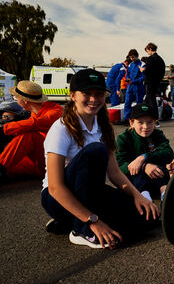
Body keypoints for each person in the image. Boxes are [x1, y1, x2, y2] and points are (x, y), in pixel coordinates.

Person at [41, 69, 159, 249]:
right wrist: (93, 222)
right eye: (86, 93)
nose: (93, 99)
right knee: (95, 150)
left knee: (148, 219)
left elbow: (114, 173)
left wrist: (137, 196)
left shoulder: (103, 126)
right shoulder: (61, 129)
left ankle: (68, 222)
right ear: (72, 95)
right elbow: (55, 188)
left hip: (91, 196)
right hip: (56, 199)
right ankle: (80, 229)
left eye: (98, 94)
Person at [0, 81, 63, 181]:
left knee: (30, 136)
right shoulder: (35, 112)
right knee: (8, 168)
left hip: (52, 164)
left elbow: (34, 124)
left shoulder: (55, 113)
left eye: (16, 97)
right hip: (39, 160)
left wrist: (4, 129)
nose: (16, 100)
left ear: (25, 101)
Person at [116, 104, 173, 202]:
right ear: (132, 123)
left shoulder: (157, 134)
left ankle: (165, 194)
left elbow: (168, 154)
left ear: (155, 123)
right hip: (135, 182)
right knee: (136, 173)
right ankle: (145, 198)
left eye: (150, 122)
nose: (145, 127)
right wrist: (144, 166)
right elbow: (120, 165)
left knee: (160, 166)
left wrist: (144, 157)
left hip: (156, 176)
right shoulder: (123, 138)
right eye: (140, 122)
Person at [143, 42, 166, 110]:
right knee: (147, 101)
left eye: (147, 51)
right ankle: (147, 114)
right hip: (157, 82)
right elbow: (162, 71)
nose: (147, 53)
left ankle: (154, 116)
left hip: (150, 83)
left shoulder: (150, 59)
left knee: (151, 101)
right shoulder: (160, 59)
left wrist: (143, 70)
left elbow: (148, 72)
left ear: (150, 49)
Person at [123, 49, 145, 121]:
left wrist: (133, 81)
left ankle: (139, 119)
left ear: (137, 56)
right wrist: (127, 79)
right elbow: (127, 74)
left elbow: (143, 77)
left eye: (133, 57)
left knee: (139, 103)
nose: (132, 59)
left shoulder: (142, 64)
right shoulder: (130, 65)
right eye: (130, 57)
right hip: (130, 86)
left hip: (138, 87)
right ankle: (127, 119)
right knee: (127, 103)